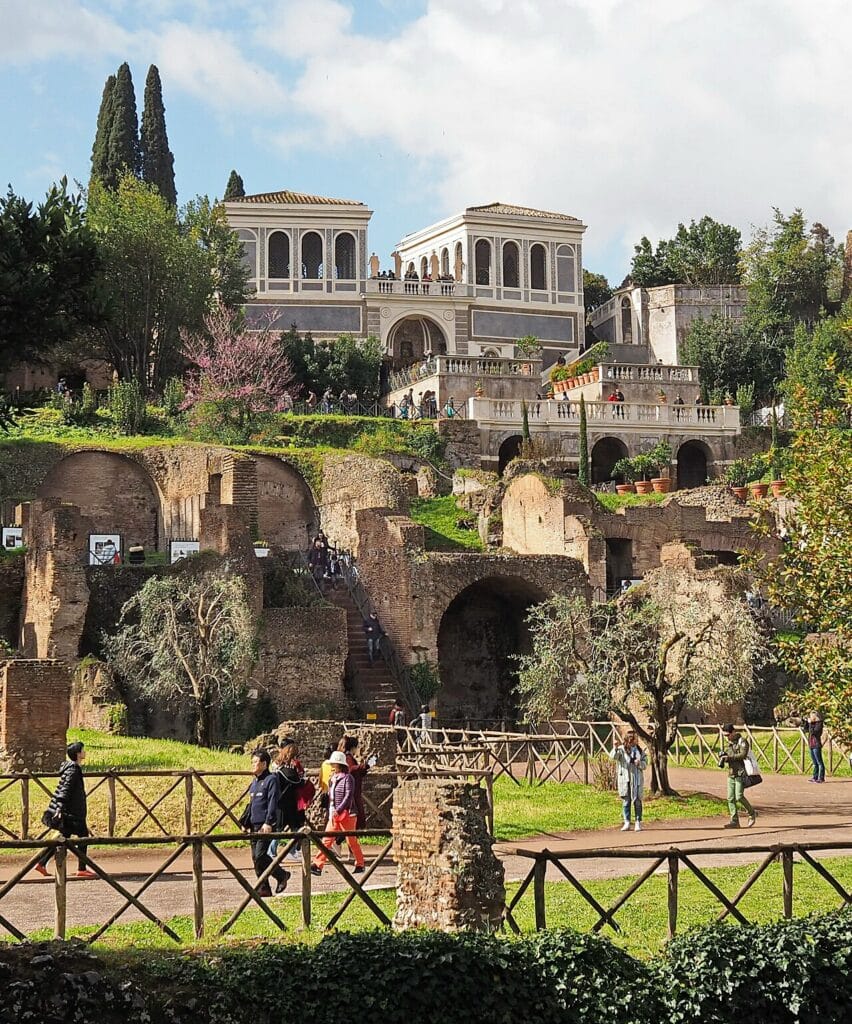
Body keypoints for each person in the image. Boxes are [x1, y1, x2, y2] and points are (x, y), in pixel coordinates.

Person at [35, 741, 96, 878]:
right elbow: (65, 789)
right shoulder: (73, 769)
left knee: (63, 837)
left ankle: (41, 863)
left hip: (71, 811)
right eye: (83, 750)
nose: (84, 752)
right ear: (78, 754)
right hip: (72, 813)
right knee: (83, 838)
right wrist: (60, 807)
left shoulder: (72, 768)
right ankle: (81, 868)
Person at [240, 749, 290, 896]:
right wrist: (246, 822)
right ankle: (264, 888)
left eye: (256, 762)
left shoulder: (271, 779)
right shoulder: (255, 782)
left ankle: (281, 875)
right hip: (254, 824)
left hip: (266, 824)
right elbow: (252, 805)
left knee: (261, 854)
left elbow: (273, 802)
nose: (253, 765)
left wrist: (269, 822)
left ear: (264, 764)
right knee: (255, 858)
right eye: (252, 762)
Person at [311, 751, 365, 875]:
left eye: (334, 764)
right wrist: (333, 810)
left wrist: (339, 809)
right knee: (327, 839)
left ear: (339, 764)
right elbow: (332, 796)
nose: (332, 766)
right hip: (335, 813)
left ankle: (360, 863)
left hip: (348, 813)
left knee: (351, 840)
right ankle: (318, 865)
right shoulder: (333, 778)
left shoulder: (348, 778)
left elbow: (348, 795)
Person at [272, 740, 307, 862]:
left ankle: (272, 851)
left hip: (280, 802)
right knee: (295, 828)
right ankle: (290, 851)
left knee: (279, 829)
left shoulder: (277, 766)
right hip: (291, 802)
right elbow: (299, 782)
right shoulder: (292, 769)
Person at [719, 724, 757, 828]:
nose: (727, 737)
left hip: (740, 772)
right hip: (731, 773)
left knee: (739, 796)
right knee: (730, 798)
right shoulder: (729, 744)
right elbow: (729, 755)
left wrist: (729, 757)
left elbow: (742, 755)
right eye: (725, 736)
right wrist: (723, 756)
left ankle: (752, 813)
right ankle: (734, 821)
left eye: (728, 735)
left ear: (733, 732)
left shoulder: (742, 741)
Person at [610, 729, 647, 832]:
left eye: (634, 738)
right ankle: (627, 822)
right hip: (625, 779)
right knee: (626, 801)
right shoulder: (621, 750)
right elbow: (613, 757)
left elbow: (645, 765)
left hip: (636, 779)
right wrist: (615, 747)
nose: (633, 740)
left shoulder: (640, 751)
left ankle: (638, 822)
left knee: (637, 801)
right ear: (627, 739)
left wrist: (639, 763)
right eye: (631, 738)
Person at [803, 711, 826, 783]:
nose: (810, 717)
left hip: (816, 744)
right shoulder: (812, 724)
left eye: (811, 716)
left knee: (819, 762)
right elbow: (806, 730)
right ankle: (815, 777)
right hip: (811, 744)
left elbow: (814, 732)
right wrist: (806, 722)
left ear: (815, 716)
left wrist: (810, 724)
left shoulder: (819, 724)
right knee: (814, 762)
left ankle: (821, 778)